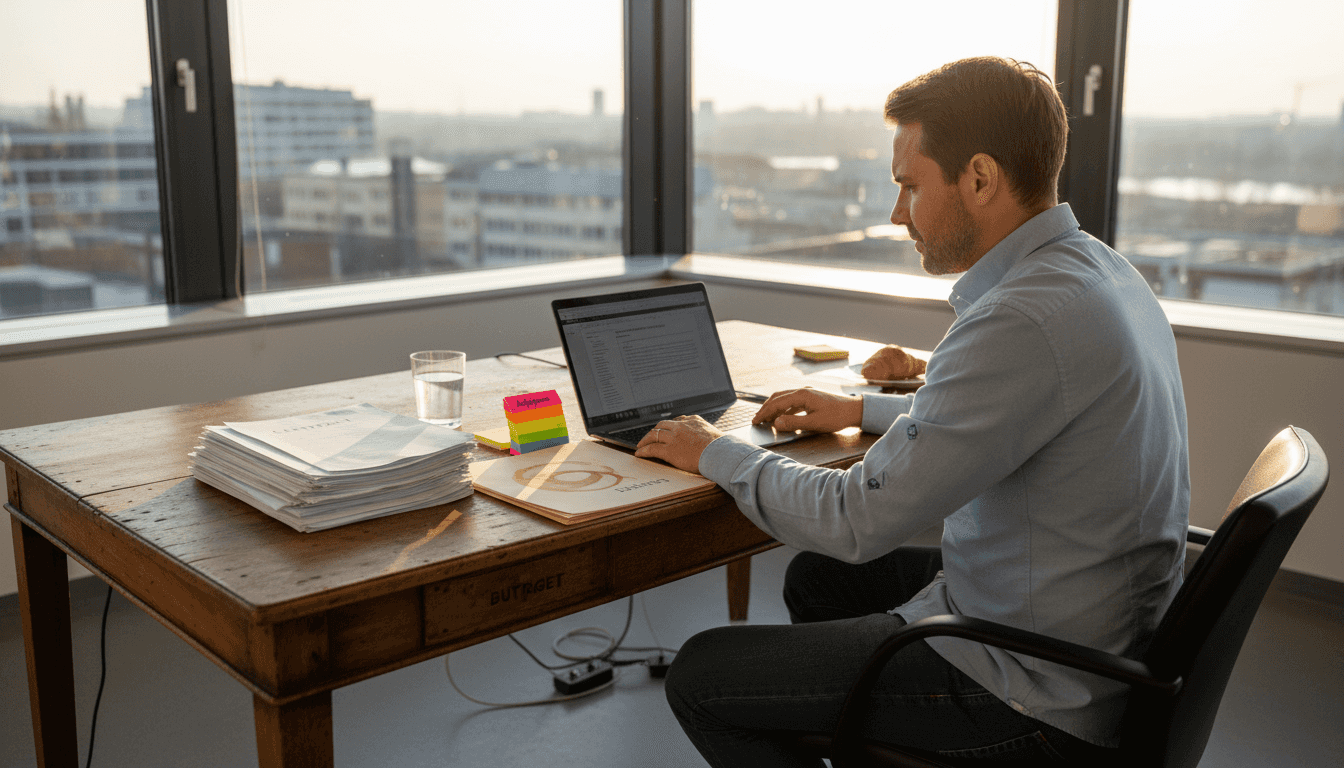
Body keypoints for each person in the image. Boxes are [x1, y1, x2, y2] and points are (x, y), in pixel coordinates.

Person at [634, 56, 1189, 766]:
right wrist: (858, 409)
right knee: (816, 580)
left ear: (980, 178)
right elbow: (997, 422)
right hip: (1092, 636)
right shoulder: (1100, 273)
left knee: (703, 675)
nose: (897, 214)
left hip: (1029, 687)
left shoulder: (1019, 319)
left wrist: (713, 449)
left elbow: (856, 519)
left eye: (909, 187)